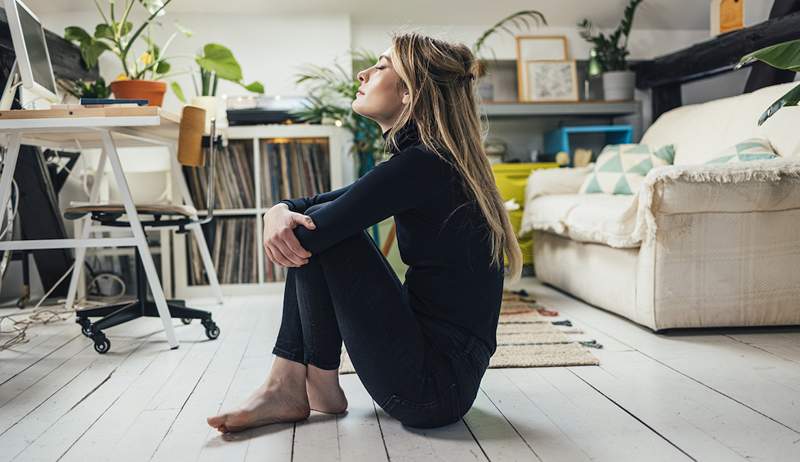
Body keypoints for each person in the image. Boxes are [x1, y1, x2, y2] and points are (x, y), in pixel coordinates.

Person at [207, 31, 522, 433]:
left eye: (381, 66)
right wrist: (277, 210)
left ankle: (291, 384)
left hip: (431, 389)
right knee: (323, 222)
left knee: (322, 229)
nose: (363, 73)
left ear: (410, 92)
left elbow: (314, 227)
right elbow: (316, 205)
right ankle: (308, 383)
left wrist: (287, 216)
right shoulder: (432, 160)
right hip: (439, 380)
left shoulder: (424, 164)